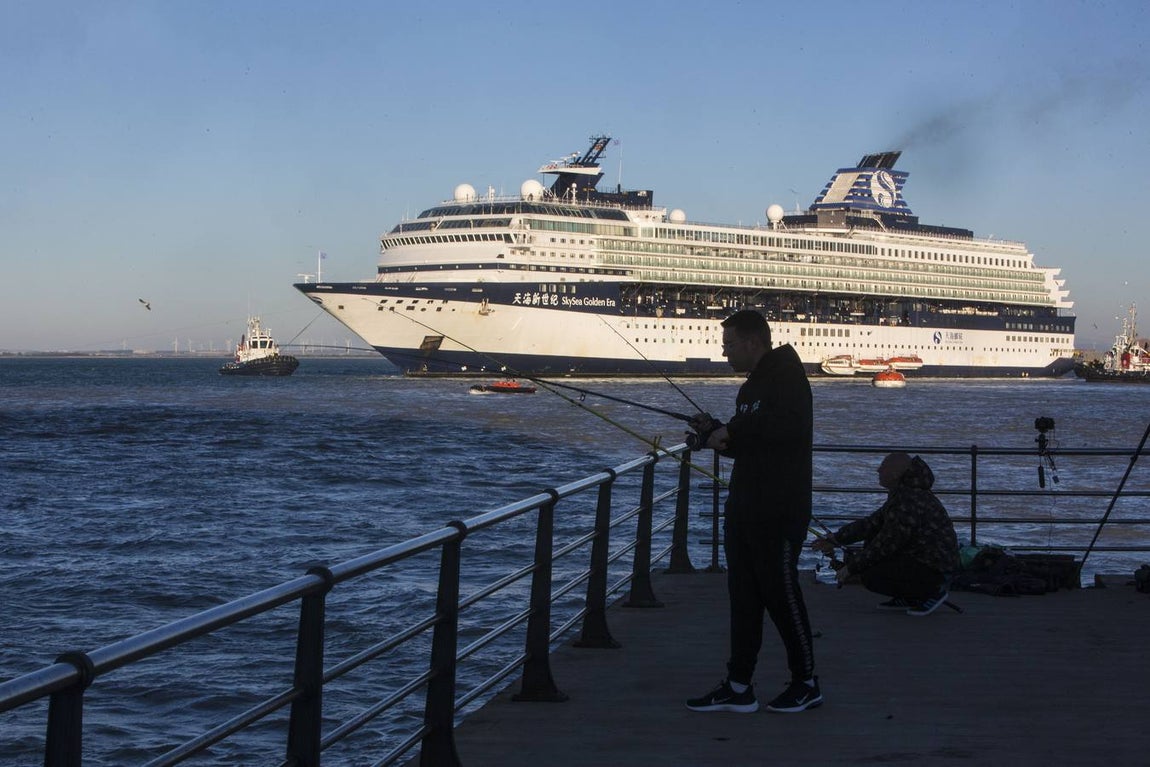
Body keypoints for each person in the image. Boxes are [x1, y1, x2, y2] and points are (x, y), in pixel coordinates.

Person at [685, 309, 821, 714]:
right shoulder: (749, 389)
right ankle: (738, 684)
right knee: (743, 597)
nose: (724, 352)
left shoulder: (788, 377)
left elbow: (786, 428)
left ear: (752, 342)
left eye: (729, 344)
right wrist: (713, 434)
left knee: (781, 594)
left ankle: (807, 682)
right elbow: (749, 443)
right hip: (744, 506)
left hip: (779, 509)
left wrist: (731, 431)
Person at [811, 452, 959, 616]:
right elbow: (871, 524)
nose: (878, 470)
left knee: (870, 574)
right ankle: (911, 596)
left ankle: (931, 591)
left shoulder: (908, 500)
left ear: (895, 474)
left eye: (883, 467)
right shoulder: (904, 494)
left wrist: (851, 568)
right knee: (871, 550)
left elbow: (887, 543)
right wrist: (835, 538)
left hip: (934, 567)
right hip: (924, 560)